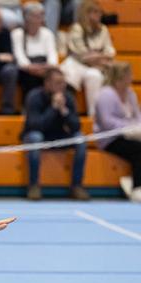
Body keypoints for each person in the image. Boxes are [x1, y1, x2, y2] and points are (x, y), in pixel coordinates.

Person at [21, 68, 90, 201]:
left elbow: (76, 126)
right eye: (58, 82)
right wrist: (53, 108)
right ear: (47, 83)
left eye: (63, 82)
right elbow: (36, 125)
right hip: (38, 135)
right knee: (36, 138)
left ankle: (77, 186)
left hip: (60, 136)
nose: (62, 86)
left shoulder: (68, 97)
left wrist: (64, 111)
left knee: (80, 139)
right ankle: (33, 185)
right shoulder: (34, 97)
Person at [94, 62, 141, 202]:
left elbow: (137, 115)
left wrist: (138, 128)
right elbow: (106, 122)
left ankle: (131, 179)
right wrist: (128, 128)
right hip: (110, 138)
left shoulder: (130, 93)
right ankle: (137, 187)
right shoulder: (105, 95)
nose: (132, 77)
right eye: (129, 74)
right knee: (139, 150)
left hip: (131, 134)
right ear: (121, 77)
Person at [59, 0, 114, 116]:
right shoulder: (76, 28)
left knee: (95, 76)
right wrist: (100, 55)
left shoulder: (103, 29)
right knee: (67, 74)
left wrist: (95, 55)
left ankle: (93, 116)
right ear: (86, 13)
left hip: (95, 66)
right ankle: (68, 113)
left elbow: (110, 52)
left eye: (99, 12)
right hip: (77, 63)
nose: (99, 15)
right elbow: (81, 54)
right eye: (95, 12)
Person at [11, 1, 59, 98]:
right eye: (34, 16)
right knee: (29, 78)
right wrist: (32, 68)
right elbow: (19, 57)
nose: (38, 20)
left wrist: (47, 67)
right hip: (27, 70)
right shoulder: (17, 34)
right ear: (26, 18)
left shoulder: (47, 33)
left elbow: (52, 55)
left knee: (55, 77)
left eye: (40, 16)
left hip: (45, 68)